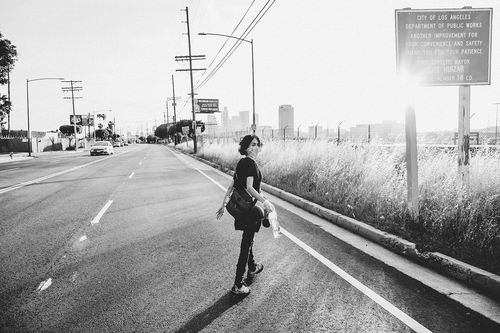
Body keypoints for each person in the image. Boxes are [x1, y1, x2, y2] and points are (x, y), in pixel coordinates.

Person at [216, 134, 275, 294]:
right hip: (250, 210)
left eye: (258, 144)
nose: (256, 147)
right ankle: (238, 284)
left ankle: (253, 267)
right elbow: (249, 187)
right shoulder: (249, 163)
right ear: (246, 147)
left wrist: (223, 204)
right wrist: (265, 201)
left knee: (248, 241)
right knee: (246, 245)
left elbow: (232, 186)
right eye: (253, 145)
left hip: (242, 209)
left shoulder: (241, 163)